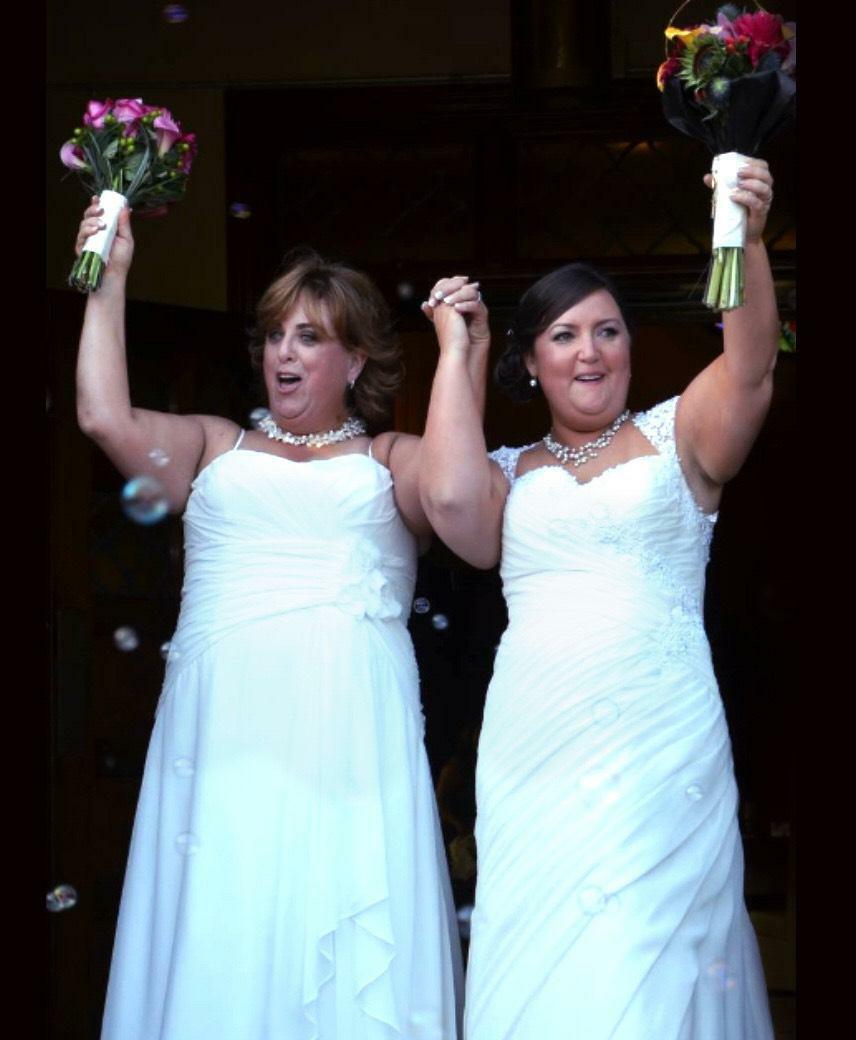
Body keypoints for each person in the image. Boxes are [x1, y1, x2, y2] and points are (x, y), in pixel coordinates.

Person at [74, 197, 476, 1039]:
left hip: (348, 743)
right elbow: (103, 418)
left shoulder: (389, 459)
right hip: (223, 735)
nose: (282, 353)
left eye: (309, 337)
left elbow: (453, 498)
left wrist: (456, 354)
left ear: (355, 360)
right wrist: (110, 278)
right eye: (274, 335)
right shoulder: (211, 445)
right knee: (226, 912)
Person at [419, 161, 778, 1038]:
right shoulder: (507, 474)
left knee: (649, 945)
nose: (590, 351)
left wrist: (742, 231)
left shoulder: (678, 437)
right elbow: (450, 503)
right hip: (535, 744)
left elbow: (751, 367)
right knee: (546, 948)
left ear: (630, 348)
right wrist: (459, 353)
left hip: (661, 740)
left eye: (608, 331)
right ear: (532, 360)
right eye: (566, 335)